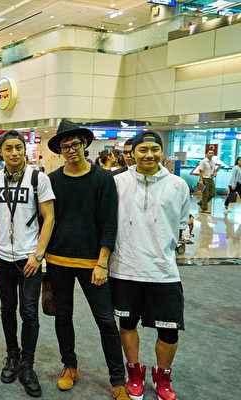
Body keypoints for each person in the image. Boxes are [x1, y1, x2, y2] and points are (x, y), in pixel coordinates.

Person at [45, 120, 129, 400]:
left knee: (105, 321)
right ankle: (69, 366)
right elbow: (47, 220)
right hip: (58, 259)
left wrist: (103, 261)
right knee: (62, 317)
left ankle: (118, 379)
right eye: (64, 147)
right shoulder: (53, 180)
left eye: (75, 145)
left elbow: (109, 223)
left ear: (84, 145)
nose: (70, 150)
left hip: (93, 263)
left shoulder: (102, 179)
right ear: (59, 151)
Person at [109, 131, 190, 400]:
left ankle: (163, 377)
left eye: (154, 149)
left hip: (163, 270)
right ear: (132, 153)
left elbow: (181, 225)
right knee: (127, 323)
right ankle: (134, 373)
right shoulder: (118, 182)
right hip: (125, 266)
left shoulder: (178, 185)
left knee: (169, 329)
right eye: (142, 150)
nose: (149, 155)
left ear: (161, 152)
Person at [0, 130, 55, 397]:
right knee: (7, 309)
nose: (14, 153)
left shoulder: (38, 179)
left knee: (29, 313)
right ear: (1, 152)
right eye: (8, 148)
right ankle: (12, 356)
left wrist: (38, 254)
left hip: (29, 259)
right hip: (2, 258)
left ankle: (28, 365)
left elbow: (49, 217)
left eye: (18, 147)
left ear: (25, 150)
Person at [198, 149, 217, 213]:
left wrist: (214, 173)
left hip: (211, 179)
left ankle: (201, 203)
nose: (211, 154)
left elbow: (213, 169)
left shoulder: (213, 162)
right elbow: (200, 171)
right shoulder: (203, 161)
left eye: (212, 153)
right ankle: (204, 209)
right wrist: (201, 180)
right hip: (204, 179)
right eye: (209, 153)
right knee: (205, 194)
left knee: (213, 193)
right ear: (206, 154)